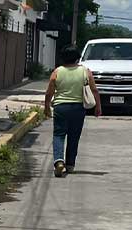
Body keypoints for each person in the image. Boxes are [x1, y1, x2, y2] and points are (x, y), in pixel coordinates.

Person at [43, 48, 101, 177]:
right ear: (77, 58)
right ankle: (70, 165)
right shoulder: (85, 72)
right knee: (74, 137)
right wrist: (98, 107)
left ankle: (59, 161)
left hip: (60, 108)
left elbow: (49, 92)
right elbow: (94, 90)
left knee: (59, 134)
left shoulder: (57, 72)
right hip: (78, 108)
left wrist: (46, 106)